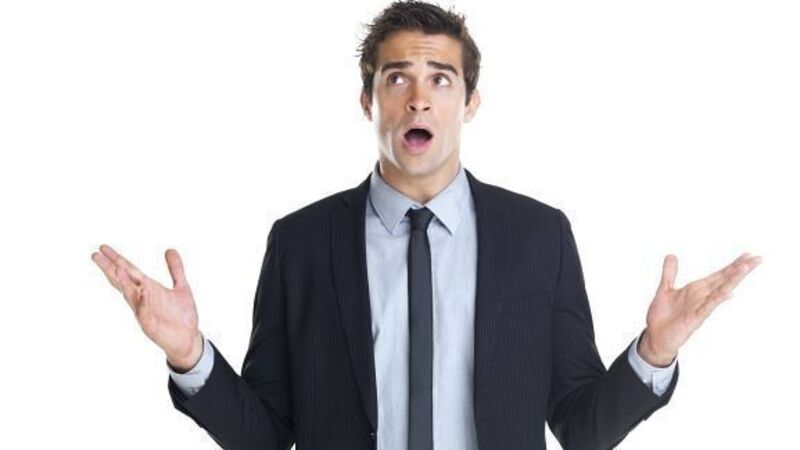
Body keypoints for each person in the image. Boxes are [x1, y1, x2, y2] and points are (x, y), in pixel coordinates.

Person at [91, 1, 761, 449]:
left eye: (441, 79)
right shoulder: (301, 243)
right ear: (368, 100)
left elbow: (581, 428)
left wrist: (653, 354)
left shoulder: (539, 237)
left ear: (470, 102)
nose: (418, 98)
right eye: (397, 78)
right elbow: (266, 435)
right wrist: (190, 356)